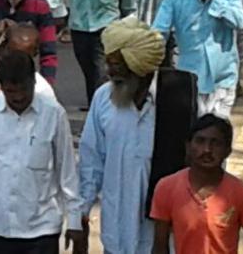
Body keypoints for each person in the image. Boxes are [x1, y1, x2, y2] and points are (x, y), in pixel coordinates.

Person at [78, 17, 194, 254]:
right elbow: (91, 162)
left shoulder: (180, 96)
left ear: (138, 66)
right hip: (117, 231)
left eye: (117, 65)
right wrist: (80, 213)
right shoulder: (103, 99)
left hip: (164, 235)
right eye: (109, 63)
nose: (109, 72)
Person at [0, 52, 85, 254]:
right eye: (11, 91)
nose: (18, 97)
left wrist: (74, 222)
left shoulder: (54, 114)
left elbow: (67, 172)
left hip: (41, 231)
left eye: (24, 90)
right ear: (1, 87)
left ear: (34, 81)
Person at [153, 0, 243, 118]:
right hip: (189, 78)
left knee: (218, 129)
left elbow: (240, 22)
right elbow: (159, 32)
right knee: (190, 130)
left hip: (223, 78)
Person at [149, 115, 243, 254]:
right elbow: (159, 247)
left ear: (227, 150)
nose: (207, 150)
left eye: (216, 143)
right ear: (188, 146)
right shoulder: (166, 188)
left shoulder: (241, 192)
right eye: (200, 141)